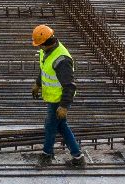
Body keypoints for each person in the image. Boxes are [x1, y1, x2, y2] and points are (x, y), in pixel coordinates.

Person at [30, 24, 85, 168]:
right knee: (61, 126)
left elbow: (70, 86)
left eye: (40, 45)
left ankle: (46, 155)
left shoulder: (62, 60)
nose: (39, 48)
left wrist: (64, 106)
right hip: (52, 97)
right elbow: (44, 69)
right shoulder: (47, 51)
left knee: (50, 126)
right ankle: (78, 157)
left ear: (45, 43)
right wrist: (38, 84)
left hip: (59, 99)